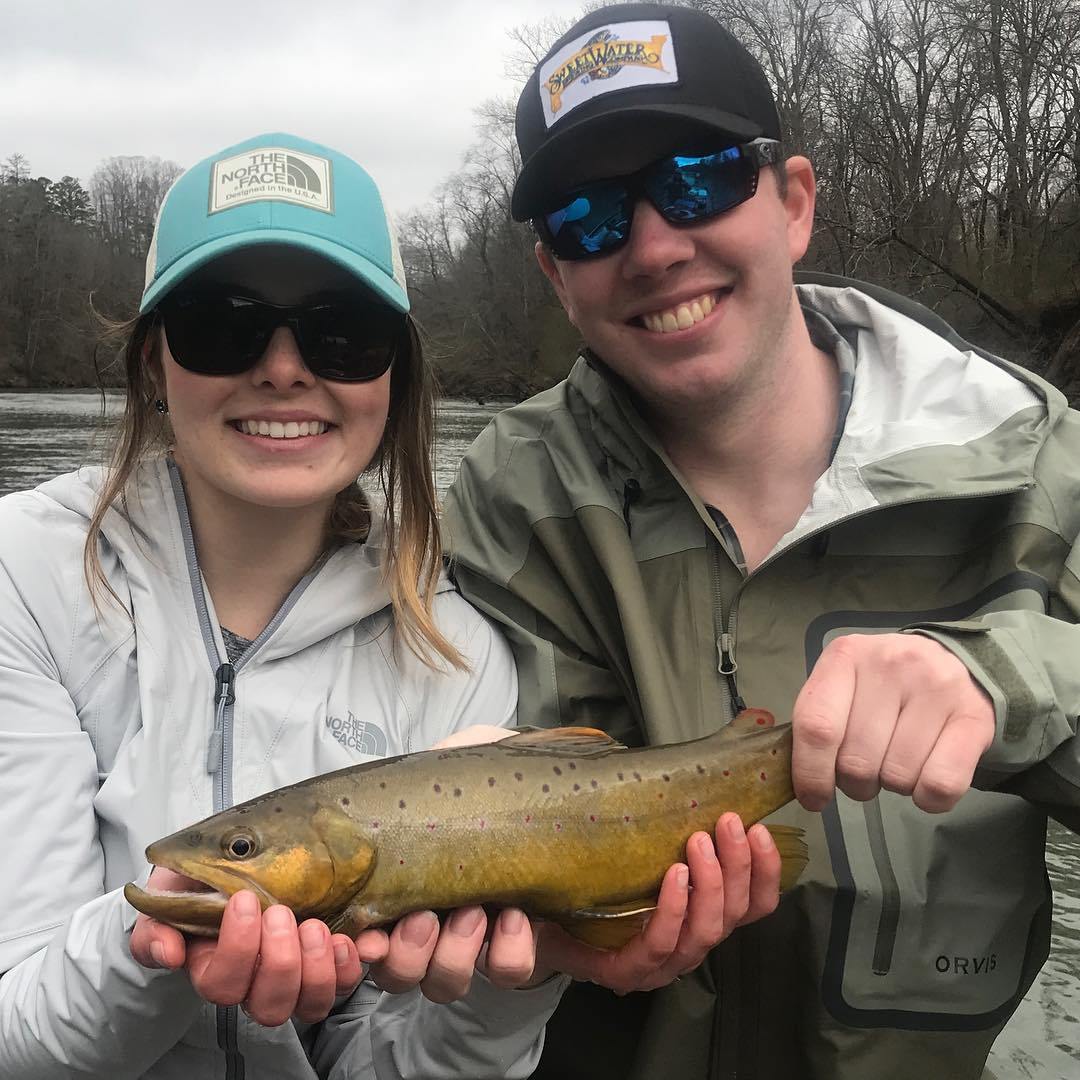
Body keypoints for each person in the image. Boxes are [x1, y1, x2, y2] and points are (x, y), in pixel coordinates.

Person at [0, 129, 781, 1080]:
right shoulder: (22, 574)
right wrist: (161, 942)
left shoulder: (459, 648)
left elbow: (382, 1062)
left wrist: (507, 987)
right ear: (153, 363)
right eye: (220, 325)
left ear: (394, 377)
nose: (283, 368)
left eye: (342, 333)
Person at [441, 5, 1080, 1079]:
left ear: (793, 203)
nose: (653, 246)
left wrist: (1011, 684)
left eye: (696, 179)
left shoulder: (1036, 463)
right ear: (556, 274)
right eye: (589, 218)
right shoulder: (511, 496)